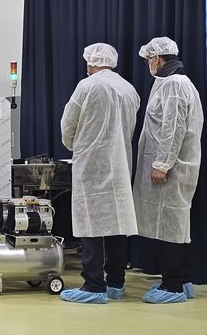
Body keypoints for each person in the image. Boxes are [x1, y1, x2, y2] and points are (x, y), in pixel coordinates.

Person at [59, 43, 140, 304]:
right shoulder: (129, 89)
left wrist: (77, 145)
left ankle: (93, 285)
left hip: (92, 165)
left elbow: (68, 126)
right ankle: (115, 283)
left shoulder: (87, 86)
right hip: (121, 164)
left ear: (91, 62)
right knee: (117, 224)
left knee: (90, 224)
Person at [133, 37, 204, 304]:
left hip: (171, 169)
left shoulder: (173, 84)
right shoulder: (176, 83)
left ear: (156, 58)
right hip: (178, 166)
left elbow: (173, 128)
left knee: (168, 226)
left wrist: (162, 164)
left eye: (148, 60)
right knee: (175, 225)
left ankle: (172, 285)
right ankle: (182, 280)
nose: (148, 64)